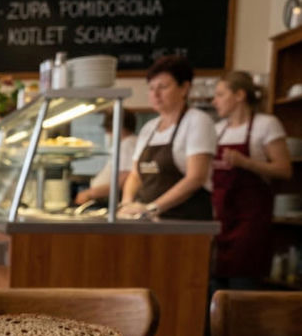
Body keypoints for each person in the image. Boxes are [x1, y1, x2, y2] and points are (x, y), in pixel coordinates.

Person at [211, 71, 292, 289]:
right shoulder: (217, 131)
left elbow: (285, 170)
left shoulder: (267, 124)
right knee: (214, 287)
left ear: (239, 95)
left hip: (250, 221)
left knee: (242, 286)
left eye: (220, 94)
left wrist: (246, 163)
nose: (214, 101)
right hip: (220, 220)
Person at [119, 56, 216, 220]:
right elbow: (135, 175)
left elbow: (196, 177)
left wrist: (153, 208)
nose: (155, 94)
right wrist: (127, 204)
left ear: (184, 88)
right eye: (151, 88)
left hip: (185, 222)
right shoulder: (148, 128)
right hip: (150, 220)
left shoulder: (197, 121)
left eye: (163, 87)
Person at [74, 109, 137, 206]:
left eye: (109, 129)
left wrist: (89, 193)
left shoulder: (127, 144)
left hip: (111, 199)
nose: (108, 134)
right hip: (107, 197)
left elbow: (122, 179)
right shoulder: (127, 142)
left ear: (119, 127)